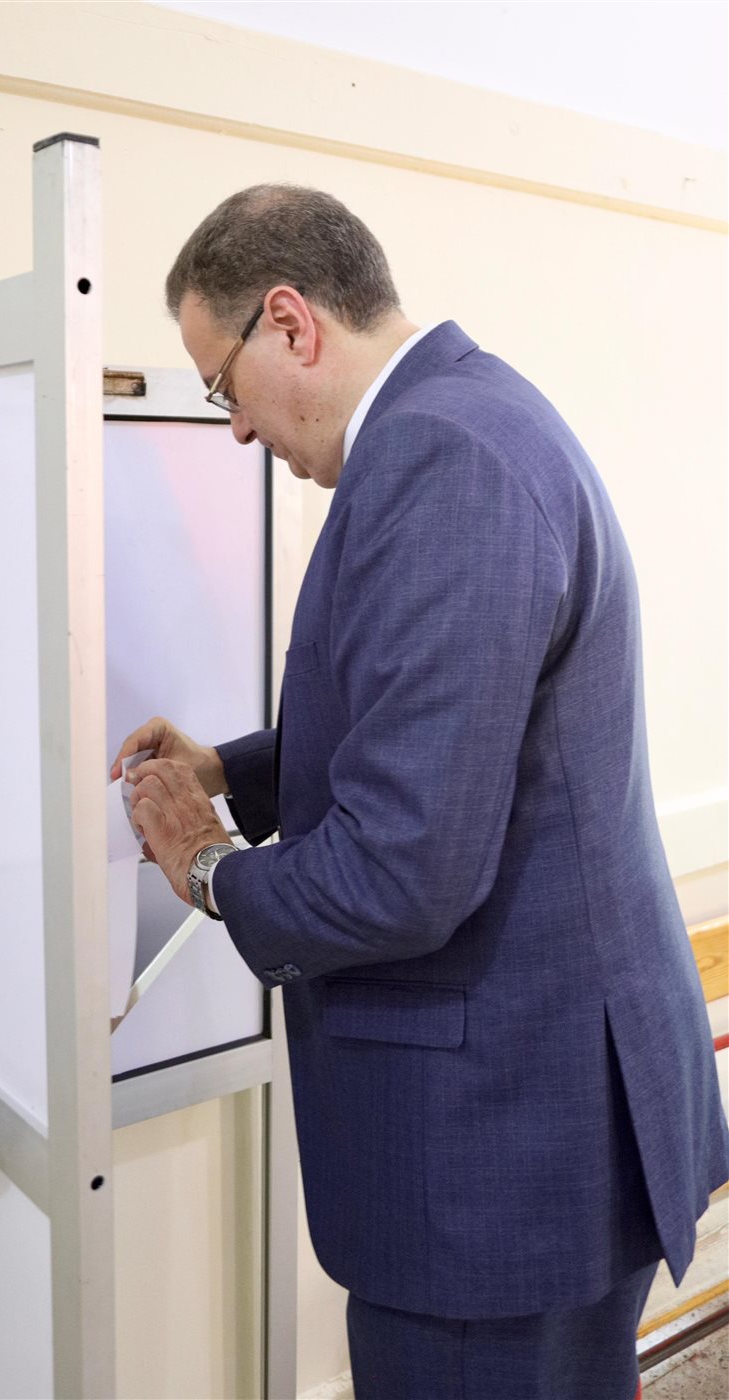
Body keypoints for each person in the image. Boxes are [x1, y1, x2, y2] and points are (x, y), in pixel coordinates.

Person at [111, 186, 728, 1400]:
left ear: (290, 321)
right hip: (525, 1114)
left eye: (223, 385)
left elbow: (404, 867)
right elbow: (437, 728)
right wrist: (231, 770)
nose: (234, 429)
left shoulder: (443, 460)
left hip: (496, 1156)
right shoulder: (463, 416)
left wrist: (205, 863)